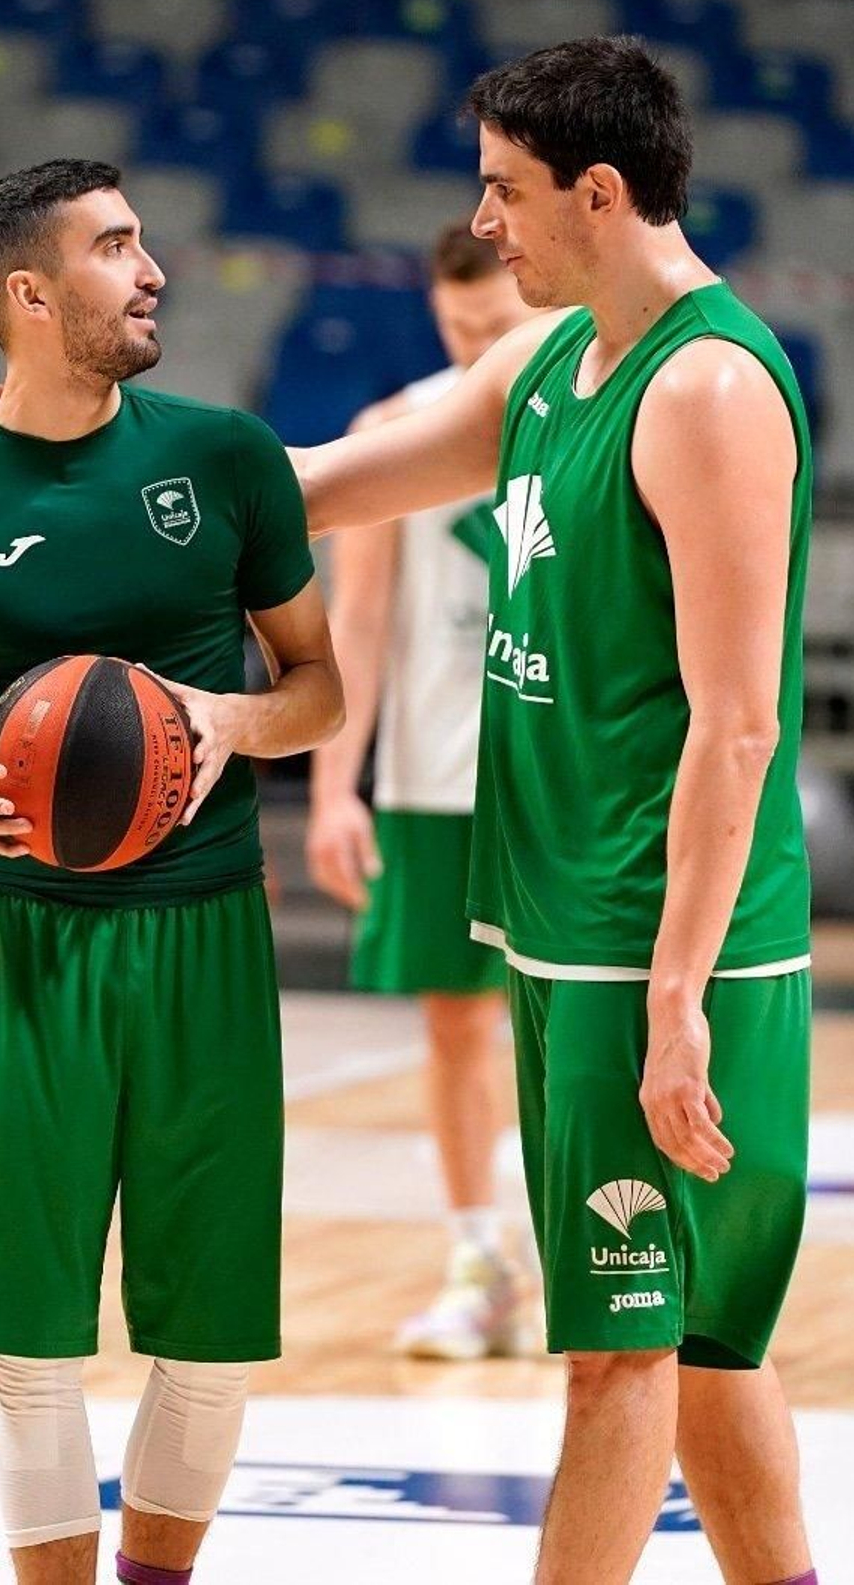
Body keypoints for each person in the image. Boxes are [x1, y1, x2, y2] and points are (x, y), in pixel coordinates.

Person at [0, 37, 817, 1585]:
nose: (484, 225)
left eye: (506, 191)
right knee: (712, 1355)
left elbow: (738, 733)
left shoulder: (711, 388)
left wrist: (676, 996)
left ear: (599, 194)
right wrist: (42, 448)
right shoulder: (552, 364)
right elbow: (310, 481)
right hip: (574, 933)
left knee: (615, 1363)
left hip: (660, 956)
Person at [0, 158, 343, 1585]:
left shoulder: (228, 459)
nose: (154, 268)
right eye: (118, 246)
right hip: (29, 947)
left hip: (208, 941)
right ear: (32, 294)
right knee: (31, 1345)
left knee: (216, 1339)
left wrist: (218, 721)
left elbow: (319, 690)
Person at [304, 222, 544, 1361]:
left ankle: (612, 1254)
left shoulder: (594, 408)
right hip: (436, 777)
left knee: (583, 1028)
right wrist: (332, 789)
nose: (476, 342)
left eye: (494, 325)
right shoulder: (393, 432)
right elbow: (352, 623)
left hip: (562, 778)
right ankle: (478, 1259)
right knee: (453, 1029)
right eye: (457, 328)